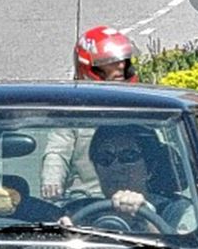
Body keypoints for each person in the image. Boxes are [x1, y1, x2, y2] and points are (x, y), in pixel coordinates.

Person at [40, 26, 137, 201]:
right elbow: (57, 152)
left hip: (136, 199)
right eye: (112, 61)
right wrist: (51, 182)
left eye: (124, 59)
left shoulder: (143, 108)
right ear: (91, 67)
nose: (122, 65)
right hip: (87, 198)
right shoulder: (74, 112)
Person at [74, 124, 196, 234]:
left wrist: (146, 218)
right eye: (105, 158)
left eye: (128, 156)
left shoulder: (180, 211)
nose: (115, 167)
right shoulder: (79, 211)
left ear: (150, 168)